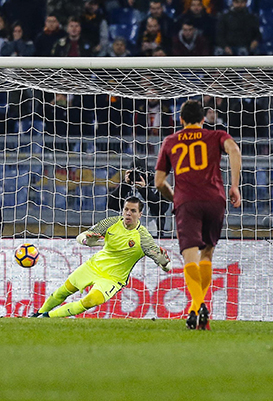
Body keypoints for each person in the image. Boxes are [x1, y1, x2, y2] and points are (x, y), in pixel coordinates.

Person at [155, 99, 241, 330]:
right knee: (207, 256)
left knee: (190, 257)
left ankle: (197, 305)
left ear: (180, 120)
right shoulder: (216, 136)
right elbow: (234, 149)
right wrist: (234, 186)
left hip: (187, 202)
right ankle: (198, 308)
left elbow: (159, 182)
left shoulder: (171, 141)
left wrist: (175, 198)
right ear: (203, 119)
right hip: (215, 200)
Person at [30, 196, 171, 318]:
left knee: (90, 301)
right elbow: (82, 236)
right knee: (63, 291)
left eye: (133, 211)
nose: (128, 213)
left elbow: (164, 264)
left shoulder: (144, 237)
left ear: (140, 214)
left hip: (113, 279)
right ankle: (38, 314)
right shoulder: (111, 222)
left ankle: (47, 317)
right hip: (93, 266)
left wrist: (165, 264)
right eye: (126, 209)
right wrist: (87, 241)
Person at [108, 158, 171, 237]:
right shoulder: (126, 186)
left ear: (147, 173)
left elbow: (161, 209)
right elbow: (111, 205)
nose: (137, 176)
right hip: (127, 235)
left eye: (140, 173)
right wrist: (124, 185)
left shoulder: (157, 185)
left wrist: (143, 189)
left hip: (152, 235)